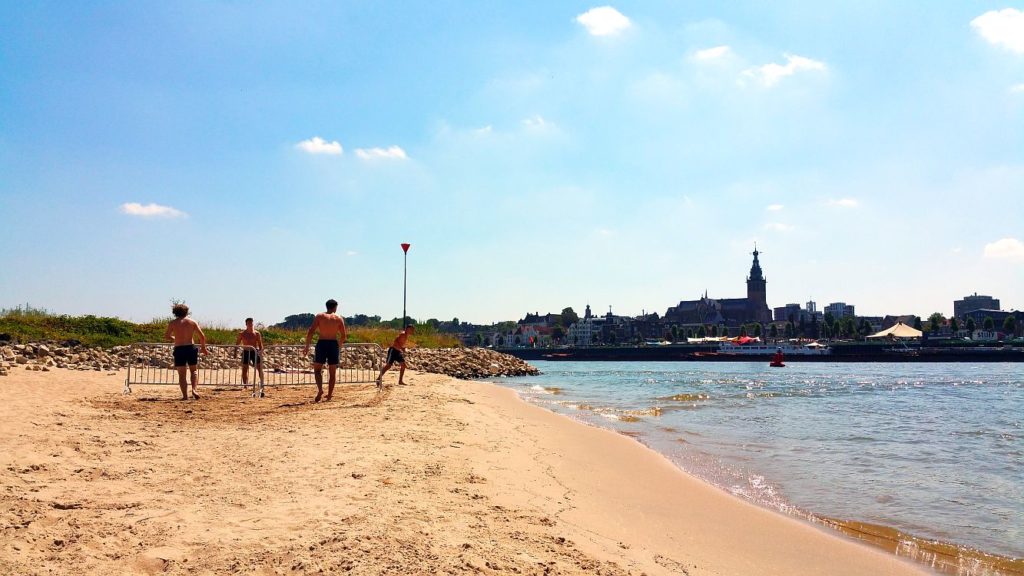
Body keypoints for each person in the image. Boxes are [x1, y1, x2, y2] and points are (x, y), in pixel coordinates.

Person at [302, 299, 347, 402]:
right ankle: (329, 395)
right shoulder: (338, 318)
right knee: (332, 373)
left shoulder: (320, 316)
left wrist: (307, 346)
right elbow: (343, 336)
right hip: (333, 343)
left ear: (326, 306)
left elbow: (311, 332)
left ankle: (321, 390)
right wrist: (338, 346)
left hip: (322, 343)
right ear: (335, 307)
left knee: (317, 370)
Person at [164, 303, 208, 400]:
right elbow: (202, 336)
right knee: (194, 371)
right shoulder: (192, 322)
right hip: (190, 347)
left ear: (175, 312)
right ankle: (194, 390)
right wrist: (203, 347)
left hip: (179, 348)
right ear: (187, 311)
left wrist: (174, 338)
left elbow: (166, 336)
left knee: (182, 374)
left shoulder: (173, 323)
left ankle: (185, 396)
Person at [375, 325, 415, 389]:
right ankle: (378, 379)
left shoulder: (406, 335)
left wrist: (402, 348)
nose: (412, 331)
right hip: (393, 350)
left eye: (413, 330)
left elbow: (400, 342)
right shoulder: (403, 334)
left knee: (403, 365)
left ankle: (400, 381)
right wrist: (402, 348)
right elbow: (396, 341)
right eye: (411, 329)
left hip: (398, 351)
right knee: (388, 366)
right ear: (407, 329)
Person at [234, 317, 265, 394]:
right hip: (246, 351)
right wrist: (235, 352)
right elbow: (237, 343)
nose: (250, 325)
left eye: (251, 323)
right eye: (249, 323)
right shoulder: (242, 334)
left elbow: (260, 344)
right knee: (244, 369)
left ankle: (262, 384)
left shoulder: (257, 333)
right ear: (246, 324)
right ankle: (245, 385)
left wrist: (261, 351)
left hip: (254, 352)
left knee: (259, 368)